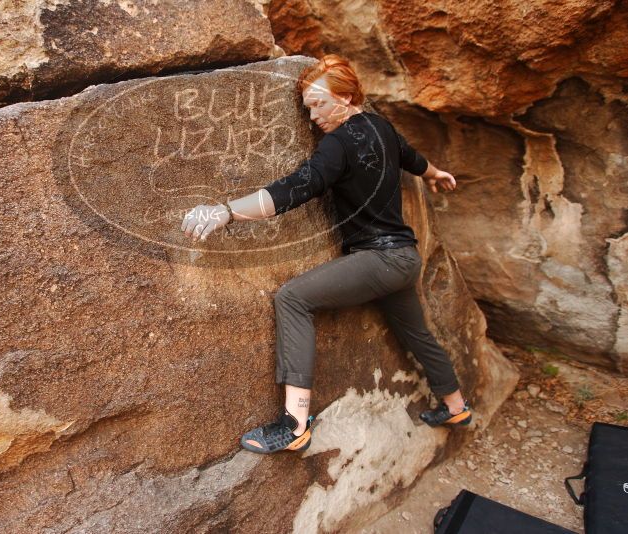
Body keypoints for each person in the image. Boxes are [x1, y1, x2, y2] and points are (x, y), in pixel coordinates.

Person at [180, 55, 471, 455]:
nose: (313, 116)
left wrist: (227, 211)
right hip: (404, 259)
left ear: (348, 97)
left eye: (319, 104)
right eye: (308, 108)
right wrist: (436, 174)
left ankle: (295, 424)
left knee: (293, 298)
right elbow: (413, 158)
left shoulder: (337, 143)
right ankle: (456, 406)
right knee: (417, 333)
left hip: (379, 261)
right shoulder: (382, 126)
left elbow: (297, 187)